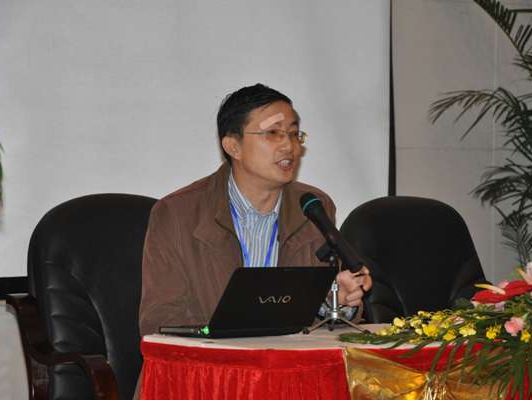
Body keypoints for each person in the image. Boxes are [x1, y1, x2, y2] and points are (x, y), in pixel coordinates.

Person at [138, 83, 372, 336]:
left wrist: (337, 303)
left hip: (289, 357)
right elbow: (159, 322)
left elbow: (325, 325)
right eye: (273, 133)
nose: (289, 146)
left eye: (294, 134)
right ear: (233, 146)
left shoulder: (313, 207)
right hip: (212, 358)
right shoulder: (176, 214)